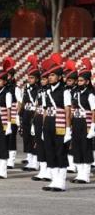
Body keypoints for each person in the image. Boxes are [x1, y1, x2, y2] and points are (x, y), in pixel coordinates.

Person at [41, 53, 71, 192]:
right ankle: (54, 180)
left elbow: (67, 110)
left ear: (59, 77)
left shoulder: (65, 91)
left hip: (59, 123)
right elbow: (46, 110)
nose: (50, 77)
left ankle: (61, 182)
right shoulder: (46, 92)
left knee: (60, 151)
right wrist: (43, 127)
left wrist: (68, 128)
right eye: (49, 75)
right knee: (49, 151)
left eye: (53, 75)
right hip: (48, 124)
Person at [70, 58, 94, 184]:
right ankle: (79, 174)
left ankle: (86, 174)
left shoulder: (90, 94)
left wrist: (92, 127)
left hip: (86, 122)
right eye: (78, 81)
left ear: (87, 81)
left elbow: (94, 111)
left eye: (81, 81)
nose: (78, 83)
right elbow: (73, 108)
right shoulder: (76, 93)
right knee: (77, 147)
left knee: (85, 147)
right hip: (77, 121)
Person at [32, 59, 52, 181]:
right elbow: (36, 107)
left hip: (48, 118)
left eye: (46, 79)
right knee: (39, 144)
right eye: (43, 79)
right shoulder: (39, 91)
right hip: (39, 118)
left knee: (48, 145)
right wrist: (33, 123)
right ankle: (42, 170)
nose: (44, 81)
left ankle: (49, 171)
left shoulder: (50, 91)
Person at [21, 55, 42, 171]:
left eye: (32, 78)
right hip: (26, 114)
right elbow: (24, 102)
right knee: (27, 137)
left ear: (37, 79)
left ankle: (36, 162)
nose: (29, 80)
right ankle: (29, 160)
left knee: (35, 138)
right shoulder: (26, 88)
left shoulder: (39, 89)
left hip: (35, 114)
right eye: (29, 77)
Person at [3, 57, 22, 169]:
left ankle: (11, 160)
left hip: (13, 116)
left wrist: (17, 115)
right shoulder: (3, 88)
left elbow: (19, 102)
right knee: (4, 138)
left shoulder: (15, 88)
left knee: (11, 138)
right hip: (4, 116)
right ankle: (5, 158)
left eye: (8, 75)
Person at [63, 60, 78, 174]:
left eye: (70, 80)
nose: (68, 82)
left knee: (74, 142)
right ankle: (69, 163)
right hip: (65, 118)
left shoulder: (77, 91)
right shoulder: (65, 90)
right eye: (67, 80)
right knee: (66, 141)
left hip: (75, 118)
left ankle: (73, 164)